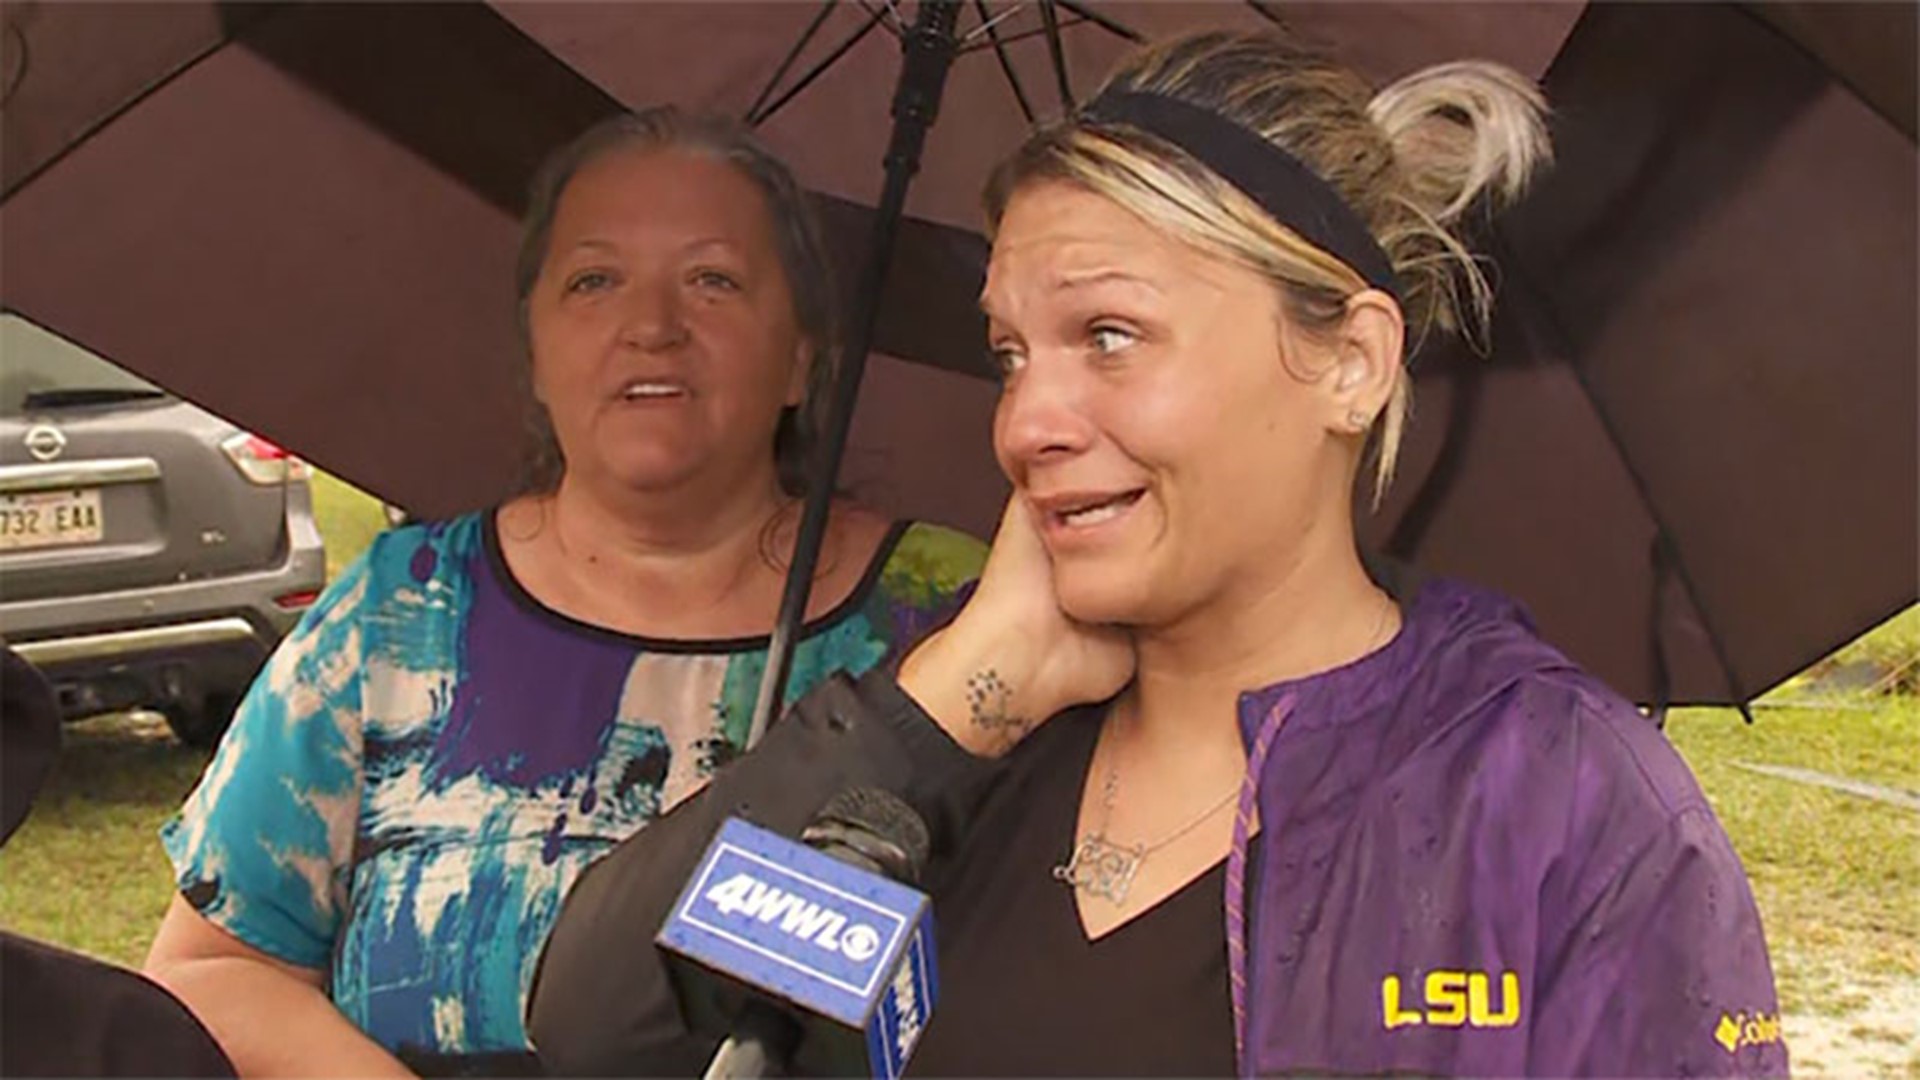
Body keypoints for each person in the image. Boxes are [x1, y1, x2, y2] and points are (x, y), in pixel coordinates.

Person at [528, 28, 1787, 1079]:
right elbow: (600, 1029)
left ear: (1350, 362)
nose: (1026, 424)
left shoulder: (1551, 801)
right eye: (1012, 353)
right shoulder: (967, 745)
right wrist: (964, 700)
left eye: (1111, 334)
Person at [141, 107, 986, 1076]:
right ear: (534, 354)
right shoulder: (398, 616)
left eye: (713, 280)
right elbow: (213, 968)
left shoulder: (951, 623)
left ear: (801, 354)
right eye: (595, 281)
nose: (654, 327)